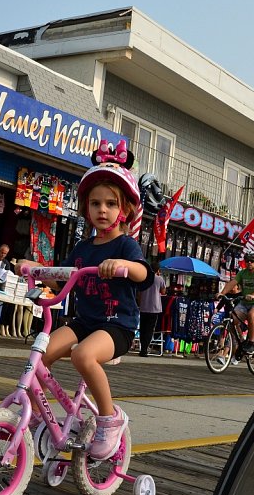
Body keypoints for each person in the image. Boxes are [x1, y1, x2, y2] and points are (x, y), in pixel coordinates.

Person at [18, 140, 153, 460]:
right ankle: (41, 417)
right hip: (84, 322)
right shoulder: (83, 249)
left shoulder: (125, 246)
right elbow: (62, 277)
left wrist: (122, 267)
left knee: (83, 356)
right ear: (86, 209)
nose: (102, 210)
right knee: (39, 358)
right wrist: (34, 270)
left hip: (117, 325)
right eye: (95, 204)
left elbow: (143, 274)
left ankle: (110, 418)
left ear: (125, 210)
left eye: (110, 204)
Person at [221, 252, 254, 355]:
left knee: (252, 315)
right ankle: (242, 341)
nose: (249, 263)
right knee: (232, 319)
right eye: (247, 261)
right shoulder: (242, 273)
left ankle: (251, 342)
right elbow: (232, 283)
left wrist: (253, 295)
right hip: (245, 302)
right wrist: (221, 294)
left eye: (252, 261)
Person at [137, 263, 166, 357]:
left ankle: (142, 349)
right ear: (158, 270)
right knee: (149, 329)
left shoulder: (144, 278)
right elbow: (163, 291)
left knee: (143, 328)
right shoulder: (160, 279)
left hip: (144, 306)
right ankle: (145, 349)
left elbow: (139, 293)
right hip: (154, 307)